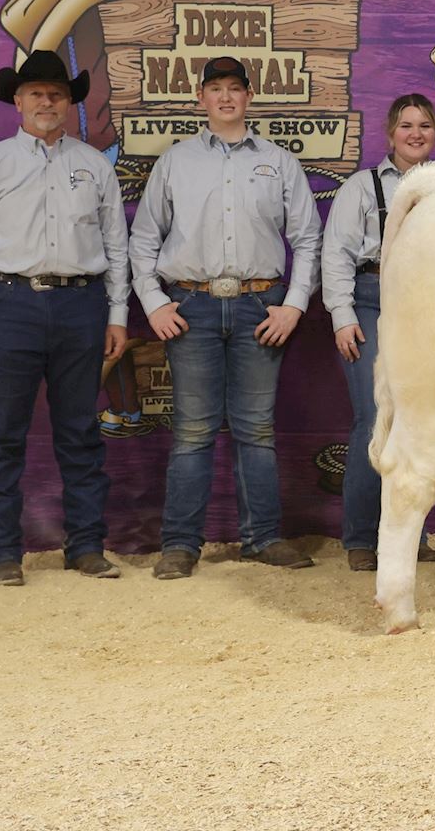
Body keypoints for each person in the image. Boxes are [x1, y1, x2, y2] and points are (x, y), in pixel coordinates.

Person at [0, 51, 130, 585]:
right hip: (11, 306)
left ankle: (87, 546)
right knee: (2, 431)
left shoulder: (94, 166)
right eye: (36, 93)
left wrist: (116, 315)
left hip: (80, 306)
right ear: (18, 101)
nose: (47, 102)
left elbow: (117, 249)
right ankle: (1, 554)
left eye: (57, 94)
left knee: (80, 430)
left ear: (70, 103)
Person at [129, 57, 321, 579]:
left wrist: (294, 304)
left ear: (249, 97)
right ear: (201, 98)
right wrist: (153, 300)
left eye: (235, 88)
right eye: (216, 89)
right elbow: (144, 239)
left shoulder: (279, 162)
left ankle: (263, 538)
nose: (226, 97)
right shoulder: (175, 162)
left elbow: (307, 239)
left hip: (261, 306)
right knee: (192, 430)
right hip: (191, 307)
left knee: (256, 429)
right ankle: (180, 544)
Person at [322, 93, 435, 571]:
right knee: (374, 419)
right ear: (390, 133)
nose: (416, 134)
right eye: (406, 126)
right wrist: (342, 315)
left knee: (418, 424)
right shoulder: (361, 188)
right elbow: (335, 255)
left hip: (428, 306)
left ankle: (410, 538)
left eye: (425, 126)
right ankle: (359, 538)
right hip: (372, 297)